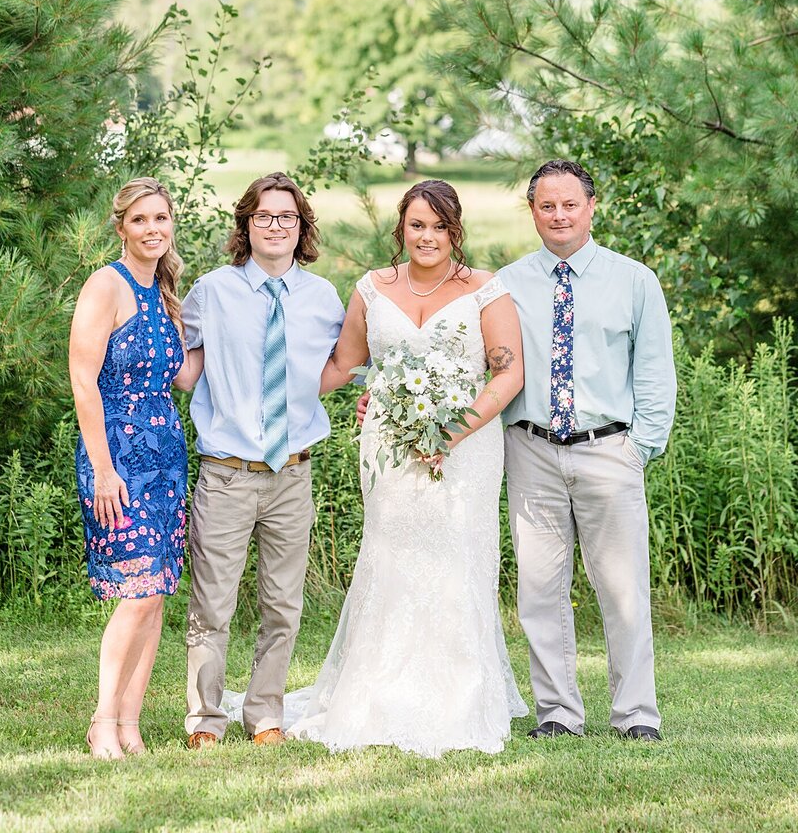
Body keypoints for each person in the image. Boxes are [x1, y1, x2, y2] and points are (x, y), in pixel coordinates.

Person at [287, 179, 528, 757]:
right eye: (417, 225)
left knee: (457, 555)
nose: (428, 236)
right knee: (390, 556)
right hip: (389, 447)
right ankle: (376, 687)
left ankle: (460, 693)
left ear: (456, 232)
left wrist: (452, 429)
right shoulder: (371, 289)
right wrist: (272, 401)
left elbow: (508, 375)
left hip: (466, 449)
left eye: (440, 226)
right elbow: (344, 365)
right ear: (401, 228)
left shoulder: (485, 291)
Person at [499, 159, 677, 742]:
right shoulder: (506, 284)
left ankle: (636, 717)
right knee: (540, 589)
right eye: (546, 206)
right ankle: (557, 713)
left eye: (569, 204)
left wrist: (640, 449)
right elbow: (481, 363)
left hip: (609, 451)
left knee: (624, 590)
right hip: (531, 449)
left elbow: (654, 372)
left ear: (591, 207)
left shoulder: (634, 280)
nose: (559, 216)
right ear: (532, 213)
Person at [182, 172, 345, 749]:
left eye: (287, 217)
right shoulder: (212, 291)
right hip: (227, 473)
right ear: (246, 225)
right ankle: (205, 718)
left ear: (301, 227)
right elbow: (181, 364)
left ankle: (265, 714)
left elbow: (346, 365)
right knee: (214, 601)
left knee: (282, 604)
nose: (275, 226)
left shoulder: (323, 298)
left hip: (291, 474)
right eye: (264, 216)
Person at [71, 177, 204, 759]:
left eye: (162, 219)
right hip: (117, 458)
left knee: (156, 595)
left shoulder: (165, 290)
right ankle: (102, 720)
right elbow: (82, 378)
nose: (154, 229)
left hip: (166, 457)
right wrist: (102, 467)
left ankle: (130, 724)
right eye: (141, 219)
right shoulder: (108, 285)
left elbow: (182, 376)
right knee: (139, 589)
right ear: (121, 227)